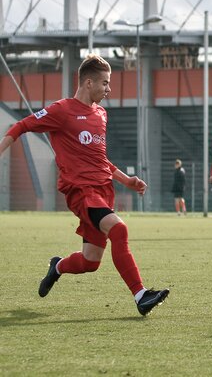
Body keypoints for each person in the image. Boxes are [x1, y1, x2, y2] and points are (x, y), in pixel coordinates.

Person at [0, 55, 169, 316]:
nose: (108, 89)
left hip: (103, 191)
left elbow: (100, 160)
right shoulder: (61, 110)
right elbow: (21, 125)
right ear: (88, 83)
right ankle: (140, 295)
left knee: (90, 261)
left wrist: (128, 181)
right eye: (105, 83)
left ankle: (56, 267)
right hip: (82, 193)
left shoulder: (101, 114)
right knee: (119, 230)